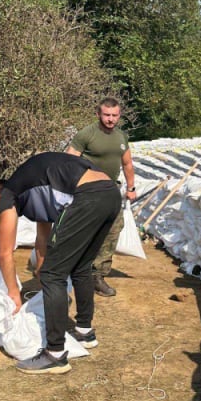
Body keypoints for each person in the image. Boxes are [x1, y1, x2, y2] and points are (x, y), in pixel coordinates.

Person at [0, 152, 122, 374]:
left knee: (53, 275)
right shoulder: (37, 189)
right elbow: (43, 238)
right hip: (110, 194)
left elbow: (4, 252)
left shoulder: (10, 192)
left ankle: (55, 354)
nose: (3, 216)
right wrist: (41, 269)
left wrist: (13, 293)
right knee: (80, 266)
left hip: (88, 195)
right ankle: (84, 332)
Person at [66, 97, 137, 297]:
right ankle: (74, 270)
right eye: (106, 115)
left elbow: (127, 164)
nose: (110, 119)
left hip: (111, 191)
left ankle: (98, 275)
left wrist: (131, 187)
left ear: (119, 116)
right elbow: (69, 161)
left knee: (113, 230)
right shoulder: (86, 134)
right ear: (98, 114)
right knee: (83, 231)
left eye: (114, 115)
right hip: (88, 190)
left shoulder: (121, 137)